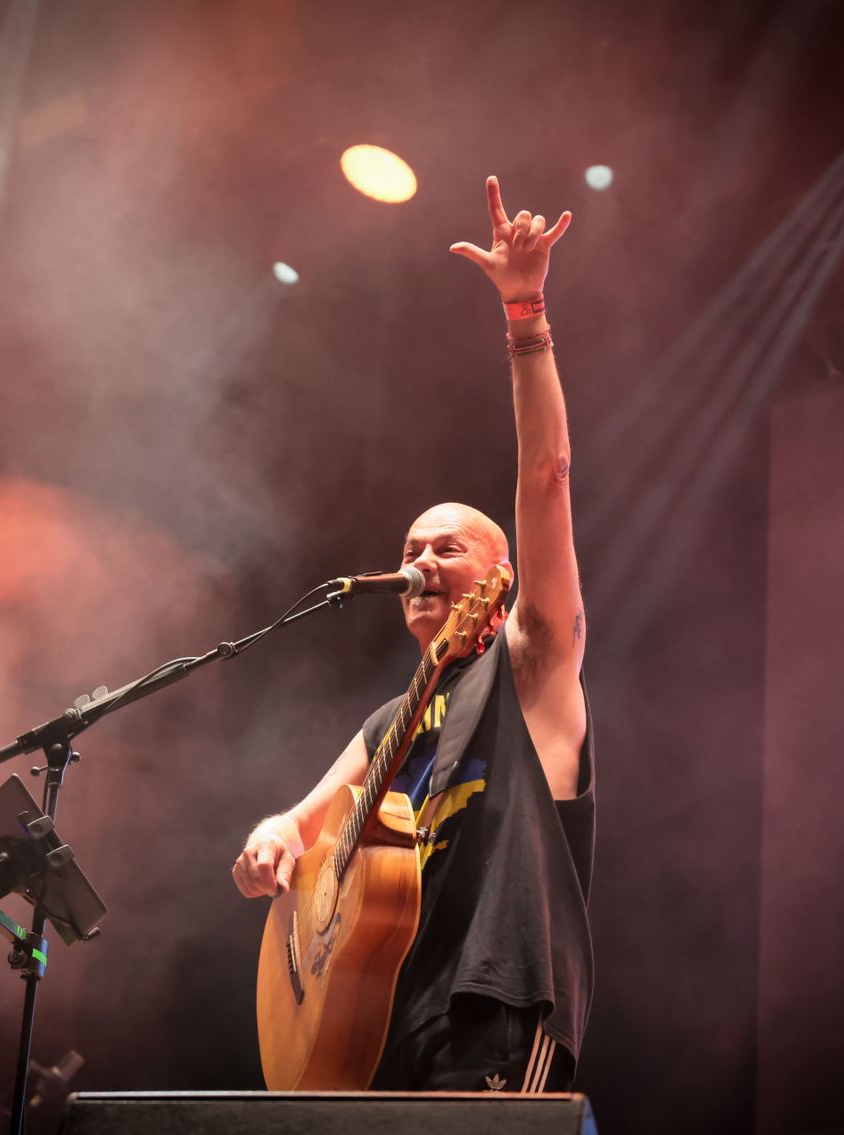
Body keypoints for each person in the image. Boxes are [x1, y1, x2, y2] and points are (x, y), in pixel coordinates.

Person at [231, 175, 593, 1093]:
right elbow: (301, 824)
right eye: (408, 550)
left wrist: (525, 316)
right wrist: (274, 839)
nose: (422, 561)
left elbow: (547, 477)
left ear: (499, 582)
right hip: (383, 1022)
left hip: (491, 1009)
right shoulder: (391, 723)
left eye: (448, 547)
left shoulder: (530, 665)